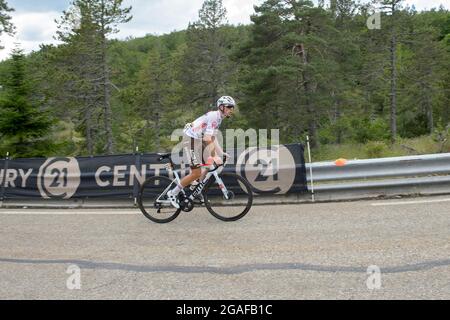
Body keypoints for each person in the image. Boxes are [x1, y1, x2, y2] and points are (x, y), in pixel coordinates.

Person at [167, 96, 236, 208]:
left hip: (197, 140)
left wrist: (220, 152)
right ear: (221, 107)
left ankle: (195, 188)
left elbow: (212, 137)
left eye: (232, 107)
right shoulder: (214, 116)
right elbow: (207, 139)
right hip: (190, 140)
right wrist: (214, 155)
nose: (231, 110)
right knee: (196, 172)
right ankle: (173, 193)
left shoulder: (219, 118)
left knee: (209, 163)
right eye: (229, 107)